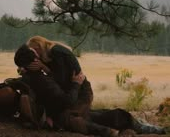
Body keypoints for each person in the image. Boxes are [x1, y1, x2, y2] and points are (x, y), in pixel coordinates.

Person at [14, 37, 166, 136]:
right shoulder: (46, 57)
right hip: (72, 91)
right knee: (88, 116)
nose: (36, 57)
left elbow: (62, 83)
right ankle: (134, 124)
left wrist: (45, 70)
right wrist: (25, 69)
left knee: (69, 118)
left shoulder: (57, 52)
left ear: (39, 48)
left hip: (80, 92)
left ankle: (132, 127)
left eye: (35, 52)